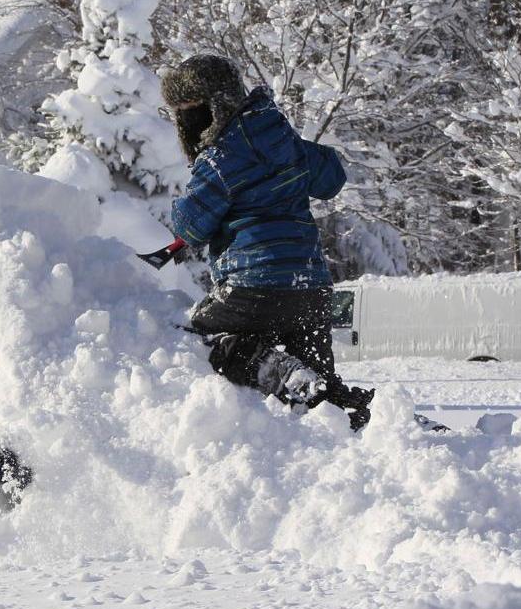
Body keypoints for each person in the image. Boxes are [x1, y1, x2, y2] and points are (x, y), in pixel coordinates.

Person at [159, 54, 375, 429]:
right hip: (310, 287)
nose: (190, 124)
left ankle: (276, 369)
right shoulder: (283, 139)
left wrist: (203, 175)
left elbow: (189, 226)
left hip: (253, 287)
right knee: (320, 393)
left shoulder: (220, 160)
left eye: (193, 111)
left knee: (196, 342)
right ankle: (368, 422)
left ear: (217, 104)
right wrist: (292, 160)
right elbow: (332, 179)